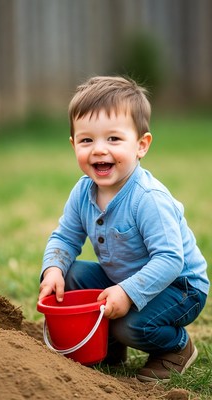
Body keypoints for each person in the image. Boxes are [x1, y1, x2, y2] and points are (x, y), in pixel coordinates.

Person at [38, 76, 209, 382]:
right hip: (124, 279)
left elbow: (171, 260)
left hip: (179, 287)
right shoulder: (83, 192)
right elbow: (65, 237)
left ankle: (176, 348)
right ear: (73, 144)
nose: (99, 150)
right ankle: (108, 346)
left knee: (130, 325)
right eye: (87, 140)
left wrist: (127, 293)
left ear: (141, 145)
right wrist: (52, 268)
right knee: (71, 274)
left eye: (114, 139)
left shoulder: (148, 199)